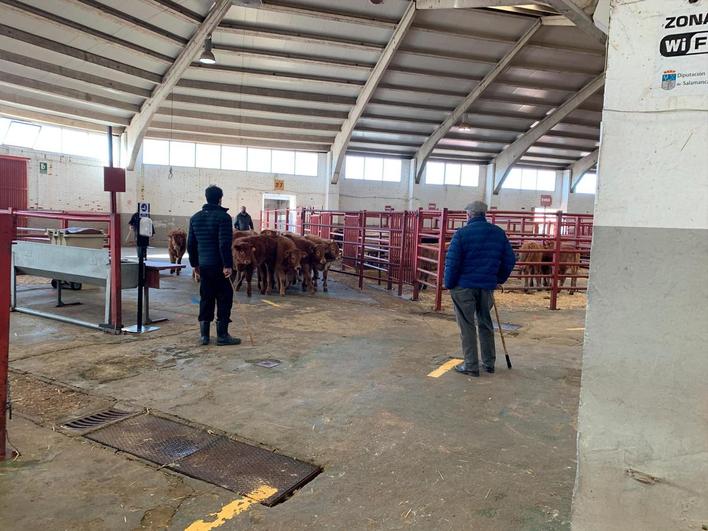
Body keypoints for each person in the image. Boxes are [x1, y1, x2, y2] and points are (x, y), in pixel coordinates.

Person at [444, 201, 516, 377]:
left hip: (464, 286)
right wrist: (498, 279)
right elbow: (510, 260)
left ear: (468, 215)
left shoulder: (461, 234)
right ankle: (489, 363)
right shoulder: (498, 234)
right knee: (485, 322)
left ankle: (471, 365)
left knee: (467, 325)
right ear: (484, 214)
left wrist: (449, 284)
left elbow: (452, 263)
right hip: (486, 287)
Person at [188, 185, 241, 346]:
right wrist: (227, 265)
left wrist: (195, 264)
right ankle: (222, 336)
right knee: (224, 298)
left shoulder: (195, 218)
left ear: (206, 197)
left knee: (206, 298)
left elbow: (191, 244)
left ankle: (204, 336)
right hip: (219, 266)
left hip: (204, 265)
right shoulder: (224, 218)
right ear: (220, 199)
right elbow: (224, 243)